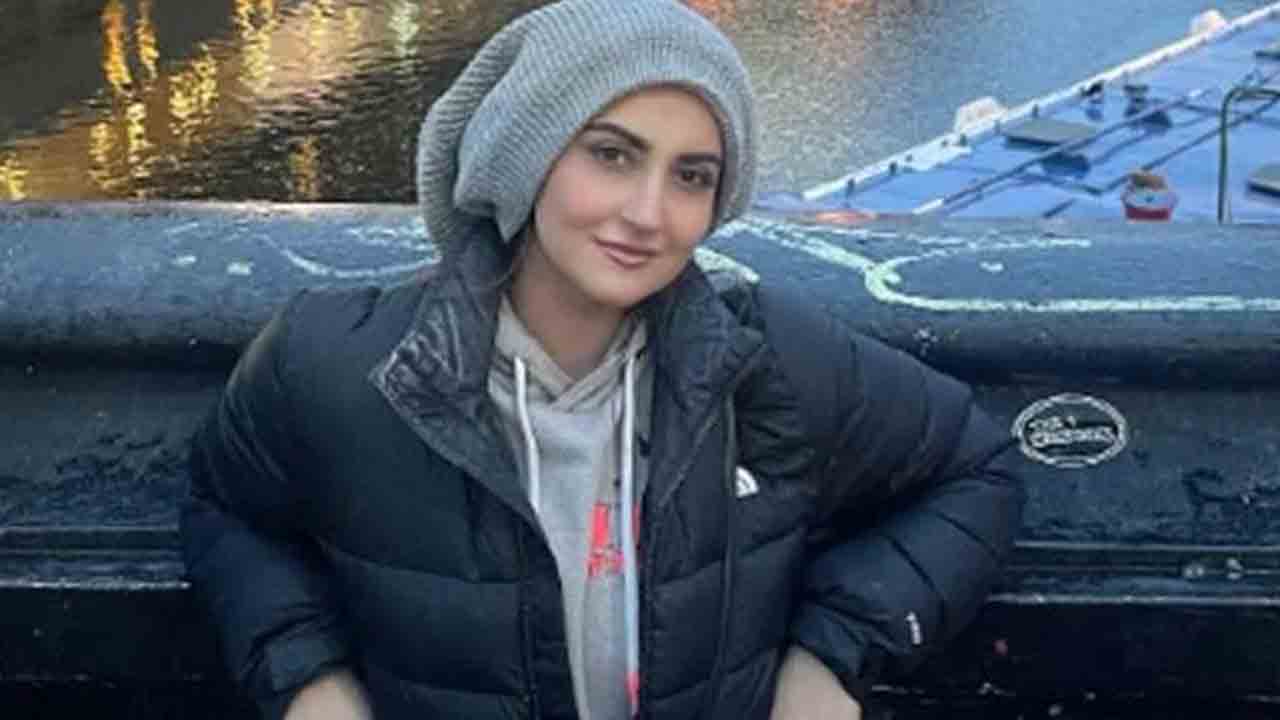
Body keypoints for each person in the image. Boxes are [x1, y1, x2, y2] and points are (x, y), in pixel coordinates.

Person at [179, 1, 1024, 719]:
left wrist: (829, 658)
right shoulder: (338, 364)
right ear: (524, 159)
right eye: (611, 154)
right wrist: (309, 681)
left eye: (692, 176)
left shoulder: (768, 364)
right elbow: (226, 510)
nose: (649, 214)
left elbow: (978, 469)